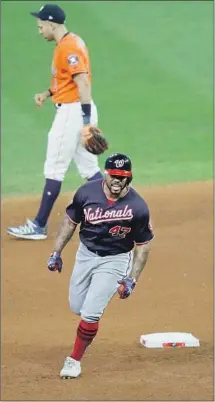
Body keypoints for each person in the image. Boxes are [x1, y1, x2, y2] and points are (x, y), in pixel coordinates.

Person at [47, 153, 154, 379]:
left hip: (115, 259)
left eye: (121, 176)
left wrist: (132, 278)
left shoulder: (138, 207)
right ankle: (85, 327)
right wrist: (56, 251)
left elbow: (143, 245)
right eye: (113, 175)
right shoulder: (87, 193)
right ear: (106, 174)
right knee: (77, 306)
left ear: (129, 178)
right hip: (85, 254)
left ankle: (74, 360)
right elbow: (70, 221)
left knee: (90, 313)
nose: (117, 180)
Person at [7, 4, 103, 240]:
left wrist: (87, 122)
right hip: (75, 108)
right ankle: (117, 212)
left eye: (41, 26)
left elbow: (82, 83)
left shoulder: (68, 47)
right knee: (90, 169)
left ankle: (39, 225)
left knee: (54, 167)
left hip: (73, 112)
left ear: (52, 24)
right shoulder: (70, 42)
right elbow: (65, 79)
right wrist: (47, 93)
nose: (39, 31)